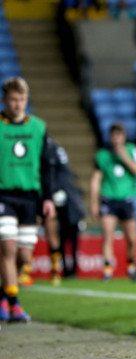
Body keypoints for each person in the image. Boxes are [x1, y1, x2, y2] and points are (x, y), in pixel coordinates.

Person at [0, 77, 56, 322]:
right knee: (8, 247)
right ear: (5, 100)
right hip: (4, 194)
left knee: (24, 256)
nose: (17, 104)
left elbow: (47, 165)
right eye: (13, 99)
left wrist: (49, 198)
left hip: (30, 196)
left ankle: (4, 295)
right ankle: (14, 304)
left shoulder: (38, 127)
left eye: (21, 99)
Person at [90, 122, 136, 281]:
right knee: (108, 234)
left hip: (127, 200)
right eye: (114, 135)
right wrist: (94, 203)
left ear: (124, 136)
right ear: (110, 136)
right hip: (109, 199)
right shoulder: (102, 155)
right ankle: (107, 269)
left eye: (119, 135)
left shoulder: (132, 150)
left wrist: (124, 157)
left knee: (132, 239)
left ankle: (131, 267)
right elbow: (96, 179)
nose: (116, 139)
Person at [45, 138, 86, 280]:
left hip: (59, 196)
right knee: (54, 232)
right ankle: (59, 269)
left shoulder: (50, 148)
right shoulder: (55, 148)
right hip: (60, 196)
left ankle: (60, 270)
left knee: (56, 232)